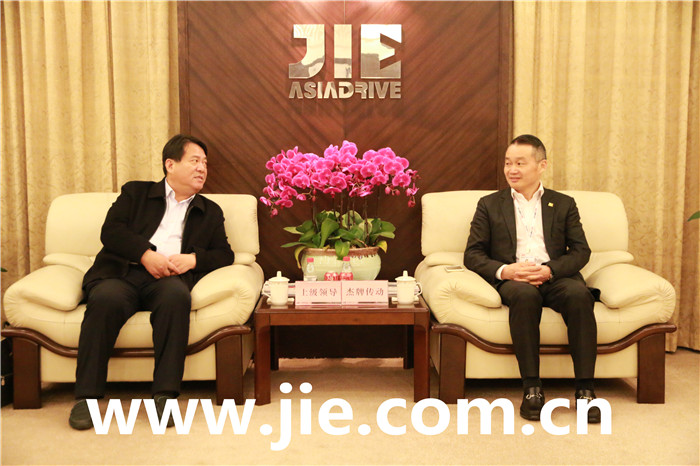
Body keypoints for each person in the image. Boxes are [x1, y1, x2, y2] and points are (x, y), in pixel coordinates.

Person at [69, 134, 235, 430]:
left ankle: (164, 396)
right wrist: (145, 254)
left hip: (169, 279)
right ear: (170, 164)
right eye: (195, 161)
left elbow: (225, 254)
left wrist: (193, 260)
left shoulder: (210, 211)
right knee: (105, 299)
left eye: (205, 163)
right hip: (123, 272)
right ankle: (87, 398)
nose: (202, 168)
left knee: (176, 298)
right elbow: (111, 231)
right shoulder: (135, 193)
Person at [464, 134, 600, 423]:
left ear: (541, 166)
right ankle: (532, 388)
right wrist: (506, 271)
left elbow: (581, 251)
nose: (512, 169)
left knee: (579, 295)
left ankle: (585, 390)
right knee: (524, 297)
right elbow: (473, 254)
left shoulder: (563, 204)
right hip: (514, 279)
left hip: (554, 276)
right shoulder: (489, 204)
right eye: (508, 163)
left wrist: (550, 270)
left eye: (520, 163)